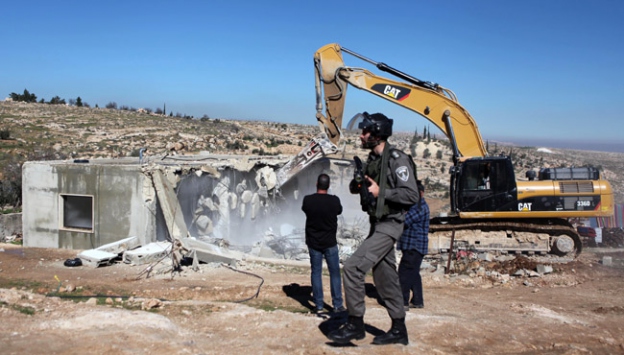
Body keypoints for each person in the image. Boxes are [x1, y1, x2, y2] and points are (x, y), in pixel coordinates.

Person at [327, 112, 420, 346]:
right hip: (377, 223)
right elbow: (358, 189)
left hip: (390, 224)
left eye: (366, 131)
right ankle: (399, 329)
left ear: (378, 133)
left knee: (353, 267)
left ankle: (355, 324)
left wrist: (382, 193)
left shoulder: (396, 159)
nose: (362, 135)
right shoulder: (373, 160)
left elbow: (411, 195)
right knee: (385, 279)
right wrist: (359, 183)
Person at [301, 173, 345, 314]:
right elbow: (339, 211)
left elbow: (305, 209)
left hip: (314, 242)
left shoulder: (308, 200)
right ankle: (337, 305)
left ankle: (319, 305)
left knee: (316, 273)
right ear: (329, 185)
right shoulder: (334, 201)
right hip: (330, 242)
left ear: (316, 184)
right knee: (335, 274)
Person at [397, 180, 429, 311]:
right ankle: (417, 300)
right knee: (413, 274)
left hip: (414, 246)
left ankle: (403, 302)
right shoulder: (416, 206)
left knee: (404, 274)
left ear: (420, 193)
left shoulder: (419, 207)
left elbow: (405, 220)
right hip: (413, 246)